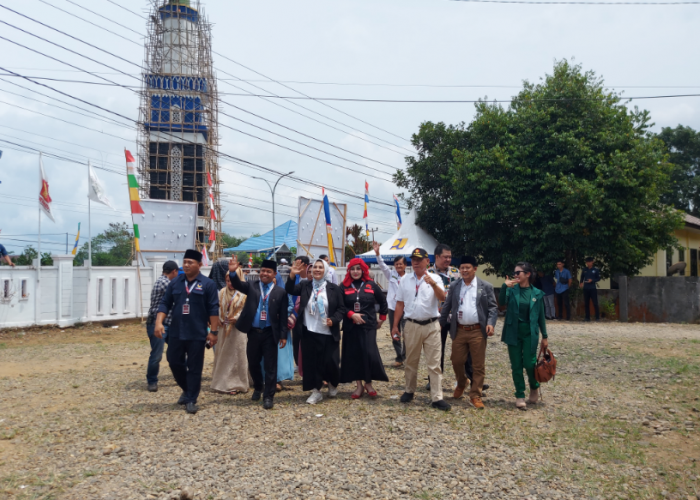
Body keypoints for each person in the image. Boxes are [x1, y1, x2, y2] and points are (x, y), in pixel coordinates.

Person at [155, 249, 219, 414]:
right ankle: (187, 388)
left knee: (195, 367)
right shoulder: (175, 282)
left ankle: (191, 399)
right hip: (177, 331)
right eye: (185, 262)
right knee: (173, 361)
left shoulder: (208, 284)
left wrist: (213, 332)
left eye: (190, 262)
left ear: (199, 264)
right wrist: (158, 322)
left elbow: (213, 309)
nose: (186, 265)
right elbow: (165, 303)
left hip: (197, 333)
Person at [392, 248, 450, 411]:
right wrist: (395, 325)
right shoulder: (405, 280)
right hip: (411, 324)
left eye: (419, 259)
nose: (415, 262)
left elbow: (443, 298)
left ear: (427, 261)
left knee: (434, 363)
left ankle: (437, 397)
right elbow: (399, 303)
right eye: (413, 259)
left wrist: (432, 284)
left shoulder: (436, 278)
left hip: (431, 325)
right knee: (411, 361)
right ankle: (409, 390)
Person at [227, 256, 288, 410]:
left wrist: (283, 335)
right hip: (253, 332)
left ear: (275, 274)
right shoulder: (252, 286)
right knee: (253, 363)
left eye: (268, 271)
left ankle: (268, 396)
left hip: (270, 333)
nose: (264, 274)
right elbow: (237, 285)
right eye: (262, 271)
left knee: (270, 366)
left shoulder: (280, 292)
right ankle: (258, 387)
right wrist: (233, 273)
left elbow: (283, 317)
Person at [439, 256, 498, 409]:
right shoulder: (455, 286)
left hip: (477, 331)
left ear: (475, 269)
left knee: (478, 365)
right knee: (456, 360)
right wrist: (440, 323)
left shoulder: (485, 286)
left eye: (467, 267)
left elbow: (492, 308)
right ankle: (462, 381)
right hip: (459, 330)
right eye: (462, 268)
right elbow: (447, 306)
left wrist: (490, 324)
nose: (464, 270)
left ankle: (475, 395)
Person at [286, 258, 345, 404]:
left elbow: (341, 309)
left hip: (328, 332)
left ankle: (332, 382)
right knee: (312, 363)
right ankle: (316, 391)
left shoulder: (334, 288)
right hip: (309, 331)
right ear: (311, 271)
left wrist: (334, 319)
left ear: (325, 270)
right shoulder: (306, 285)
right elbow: (290, 289)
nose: (317, 270)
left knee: (330, 362)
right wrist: (292, 276)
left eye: (320, 267)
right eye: (315, 268)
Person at [429, 244, 484, 392]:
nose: (448, 259)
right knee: (436, 350)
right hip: (437, 318)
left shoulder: (456, 272)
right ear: (437, 257)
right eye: (445, 257)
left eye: (450, 257)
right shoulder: (428, 274)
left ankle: (472, 379)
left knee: (465, 351)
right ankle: (434, 380)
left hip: (457, 319)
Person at [499, 262, 549, 408]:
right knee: (516, 365)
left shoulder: (537, 293)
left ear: (527, 274)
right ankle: (520, 394)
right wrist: (504, 287)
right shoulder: (511, 290)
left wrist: (544, 336)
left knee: (529, 363)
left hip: (530, 333)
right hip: (513, 331)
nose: (515, 275)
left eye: (518, 272)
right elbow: (501, 303)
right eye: (514, 273)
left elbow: (540, 317)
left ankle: (534, 385)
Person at [340, 258, 389, 399]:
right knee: (355, 355)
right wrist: (351, 314)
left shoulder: (371, 285)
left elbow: (383, 301)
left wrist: (382, 319)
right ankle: (359, 385)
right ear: (349, 270)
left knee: (369, 354)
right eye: (353, 269)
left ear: (363, 270)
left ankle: (369, 383)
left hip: (368, 326)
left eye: (358, 269)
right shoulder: (343, 286)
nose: (355, 272)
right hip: (351, 327)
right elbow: (339, 305)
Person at [211, 271, 251, 394]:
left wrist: (237, 317)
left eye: (232, 281)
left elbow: (247, 309)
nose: (230, 283)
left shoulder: (245, 293)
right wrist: (219, 318)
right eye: (228, 281)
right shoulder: (222, 292)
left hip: (239, 330)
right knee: (224, 355)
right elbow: (217, 307)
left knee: (238, 355)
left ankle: (238, 383)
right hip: (224, 328)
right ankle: (223, 381)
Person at [145, 260, 179, 392]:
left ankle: (180, 375)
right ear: (174, 271)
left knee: (177, 351)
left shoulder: (161, 281)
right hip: (158, 324)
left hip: (167, 323)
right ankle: (152, 380)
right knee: (157, 354)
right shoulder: (166, 283)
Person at [374, 241, 407, 367]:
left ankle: (405, 355)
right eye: (396, 264)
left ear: (405, 265)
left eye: (401, 264)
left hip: (406, 309)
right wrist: (378, 254)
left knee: (407, 333)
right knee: (395, 331)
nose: (398, 266)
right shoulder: (391, 275)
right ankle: (399, 358)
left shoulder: (409, 278)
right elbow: (382, 265)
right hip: (393, 308)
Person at [288, 255, 310, 366]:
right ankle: (299, 364)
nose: (295, 267)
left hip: (310, 315)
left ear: (305, 266)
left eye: (298, 264)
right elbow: (288, 291)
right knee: (296, 340)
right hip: (295, 315)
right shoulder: (294, 278)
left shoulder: (312, 278)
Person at [580, 257, 601, 321]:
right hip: (586, 288)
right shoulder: (584, 270)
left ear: (592, 262)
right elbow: (582, 277)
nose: (588, 263)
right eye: (587, 262)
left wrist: (592, 280)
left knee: (595, 303)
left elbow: (598, 278)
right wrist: (581, 283)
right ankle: (587, 317)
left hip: (592, 288)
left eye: (590, 262)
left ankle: (597, 317)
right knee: (586, 303)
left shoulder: (595, 270)